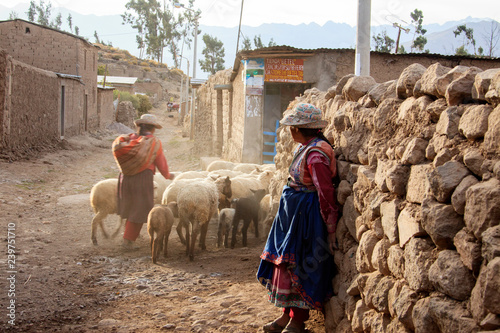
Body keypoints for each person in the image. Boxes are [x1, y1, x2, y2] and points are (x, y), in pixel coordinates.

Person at [257, 103, 339, 333]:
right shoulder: (306, 147)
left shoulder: (315, 155)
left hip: (305, 219)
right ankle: (286, 316)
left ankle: (298, 320)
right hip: (293, 215)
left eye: (292, 127)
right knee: (285, 263)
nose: (290, 131)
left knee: (298, 265)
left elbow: (325, 192)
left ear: (298, 129)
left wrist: (330, 227)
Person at [112, 113, 174, 250]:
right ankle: (128, 241)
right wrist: (168, 175)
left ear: (139, 126)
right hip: (142, 179)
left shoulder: (128, 139)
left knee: (130, 206)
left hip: (125, 178)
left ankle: (128, 236)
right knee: (139, 209)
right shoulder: (153, 142)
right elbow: (161, 163)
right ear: (152, 129)